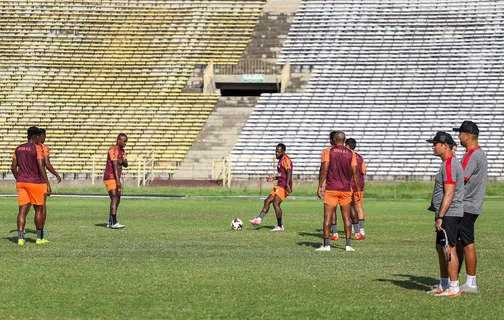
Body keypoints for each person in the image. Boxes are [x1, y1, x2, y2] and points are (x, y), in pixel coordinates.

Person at [425, 131, 464, 297]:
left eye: (435, 144)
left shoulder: (449, 164)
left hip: (449, 213)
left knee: (449, 249)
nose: (433, 147)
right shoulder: (447, 163)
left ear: (445, 146)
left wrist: (440, 216)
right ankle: (444, 283)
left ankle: (454, 288)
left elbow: (449, 193)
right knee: (441, 248)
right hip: (446, 213)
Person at [453, 121, 487, 293]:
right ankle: (456, 279)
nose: (458, 137)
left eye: (460, 133)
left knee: (467, 244)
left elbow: (460, 179)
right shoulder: (480, 154)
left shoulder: (471, 155)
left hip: (465, 205)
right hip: (473, 204)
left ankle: (471, 283)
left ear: (467, 135)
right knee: (461, 244)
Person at [316, 131, 361, 252]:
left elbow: (324, 169)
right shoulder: (351, 153)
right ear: (344, 139)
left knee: (328, 217)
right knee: (346, 217)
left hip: (331, 188)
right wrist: (356, 189)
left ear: (334, 140)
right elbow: (355, 173)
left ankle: (326, 245)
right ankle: (348, 245)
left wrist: (320, 185)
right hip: (346, 189)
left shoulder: (328, 151)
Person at [11, 126, 52, 245]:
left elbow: (13, 167)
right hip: (35, 182)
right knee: (39, 209)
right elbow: (41, 166)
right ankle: (39, 238)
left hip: (21, 182)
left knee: (22, 211)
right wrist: (47, 183)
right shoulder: (37, 148)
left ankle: (20, 239)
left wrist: (18, 178)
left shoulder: (18, 148)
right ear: (37, 137)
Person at [249, 143, 293, 231]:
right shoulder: (281, 160)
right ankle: (259, 219)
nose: (276, 153)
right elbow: (282, 175)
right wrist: (274, 178)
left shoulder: (286, 159)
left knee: (275, 203)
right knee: (267, 201)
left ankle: (280, 226)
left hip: (284, 186)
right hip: (279, 185)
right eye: (276, 151)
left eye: (279, 152)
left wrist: (287, 184)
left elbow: (289, 172)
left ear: (283, 151)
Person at [38, 128, 62, 234]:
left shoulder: (26, 147)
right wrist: (56, 174)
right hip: (39, 180)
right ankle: (41, 229)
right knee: (42, 206)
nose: (44, 138)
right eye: (44, 136)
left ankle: (21, 229)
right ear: (41, 136)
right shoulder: (43, 148)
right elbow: (47, 164)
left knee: (25, 206)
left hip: (26, 180)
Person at [104, 133, 128, 229]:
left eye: (126, 141)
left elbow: (126, 164)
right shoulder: (113, 150)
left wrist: (122, 161)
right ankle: (114, 222)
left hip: (116, 178)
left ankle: (110, 221)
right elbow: (114, 166)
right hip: (110, 177)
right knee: (114, 199)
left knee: (117, 199)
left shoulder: (122, 151)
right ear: (119, 140)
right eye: (124, 141)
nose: (125, 143)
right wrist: (118, 181)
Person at [345, 138, 367, 240]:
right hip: (359, 185)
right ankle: (361, 230)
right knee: (359, 207)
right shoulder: (360, 157)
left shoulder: (346, 156)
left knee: (350, 207)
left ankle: (354, 228)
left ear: (347, 146)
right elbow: (364, 171)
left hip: (349, 185)